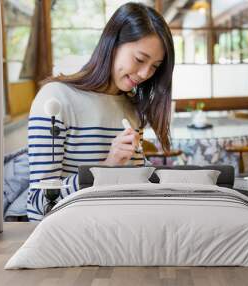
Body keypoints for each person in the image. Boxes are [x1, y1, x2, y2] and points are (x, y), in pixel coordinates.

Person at [27, 2, 175, 221]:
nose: (145, 73)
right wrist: (107, 167)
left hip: (123, 229)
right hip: (73, 235)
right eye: (140, 59)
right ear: (112, 44)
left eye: (154, 66)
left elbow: (134, 185)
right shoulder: (56, 100)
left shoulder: (131, 107)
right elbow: (39, 203)